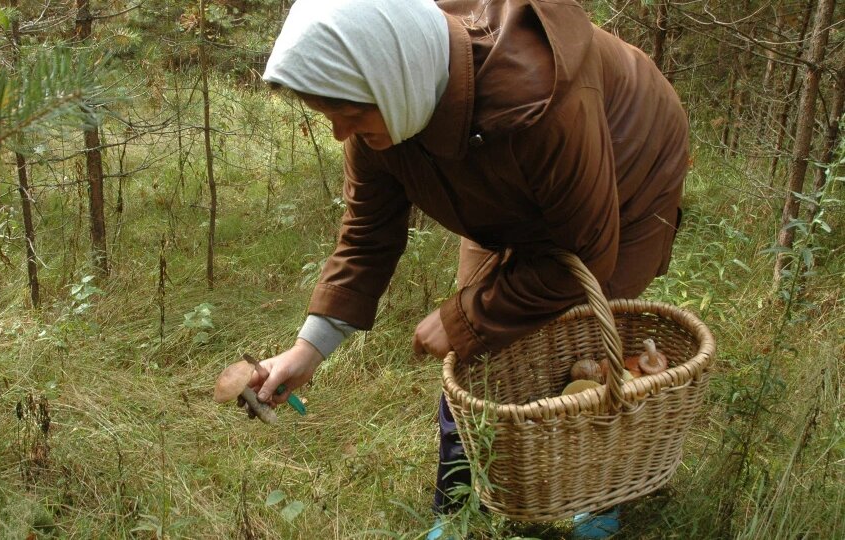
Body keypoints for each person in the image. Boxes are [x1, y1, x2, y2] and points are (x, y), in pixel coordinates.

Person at [248, 0, 688, 536]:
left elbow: (590, 253)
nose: (343, 134)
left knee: (582, 339)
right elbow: (367, 237)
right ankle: (458, 510)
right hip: (515, 180)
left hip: (627, 174)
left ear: (397, 82)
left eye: (351, 114)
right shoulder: (384, 99)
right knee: (479, 347)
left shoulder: (543, 102)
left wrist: (465, 317)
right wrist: (309, 347)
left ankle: (595, 493)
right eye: (331, 117)